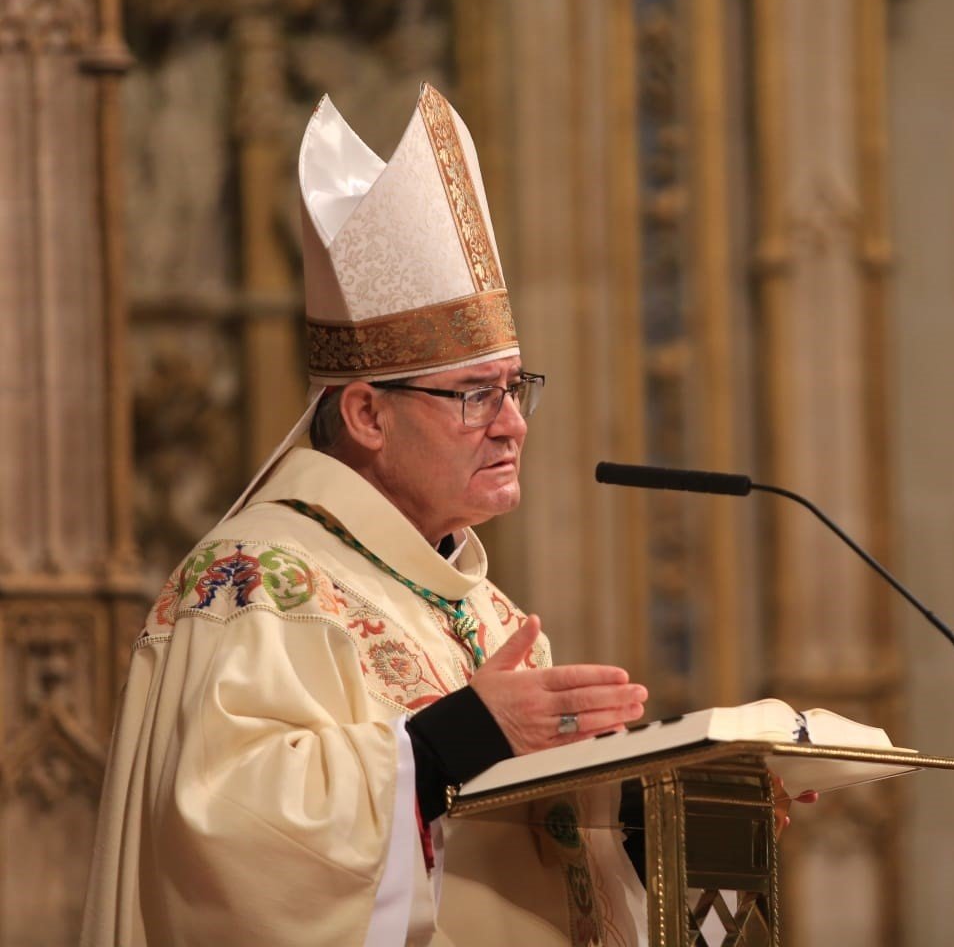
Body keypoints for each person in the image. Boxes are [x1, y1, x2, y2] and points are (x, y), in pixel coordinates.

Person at [82, 83, 651, 946]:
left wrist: (654, 813)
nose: (513, 423)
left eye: (515, 388)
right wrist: (451, 740)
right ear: (366, 415)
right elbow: (224, 834)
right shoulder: (252, 581)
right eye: (474, 395)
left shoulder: (478, 609)